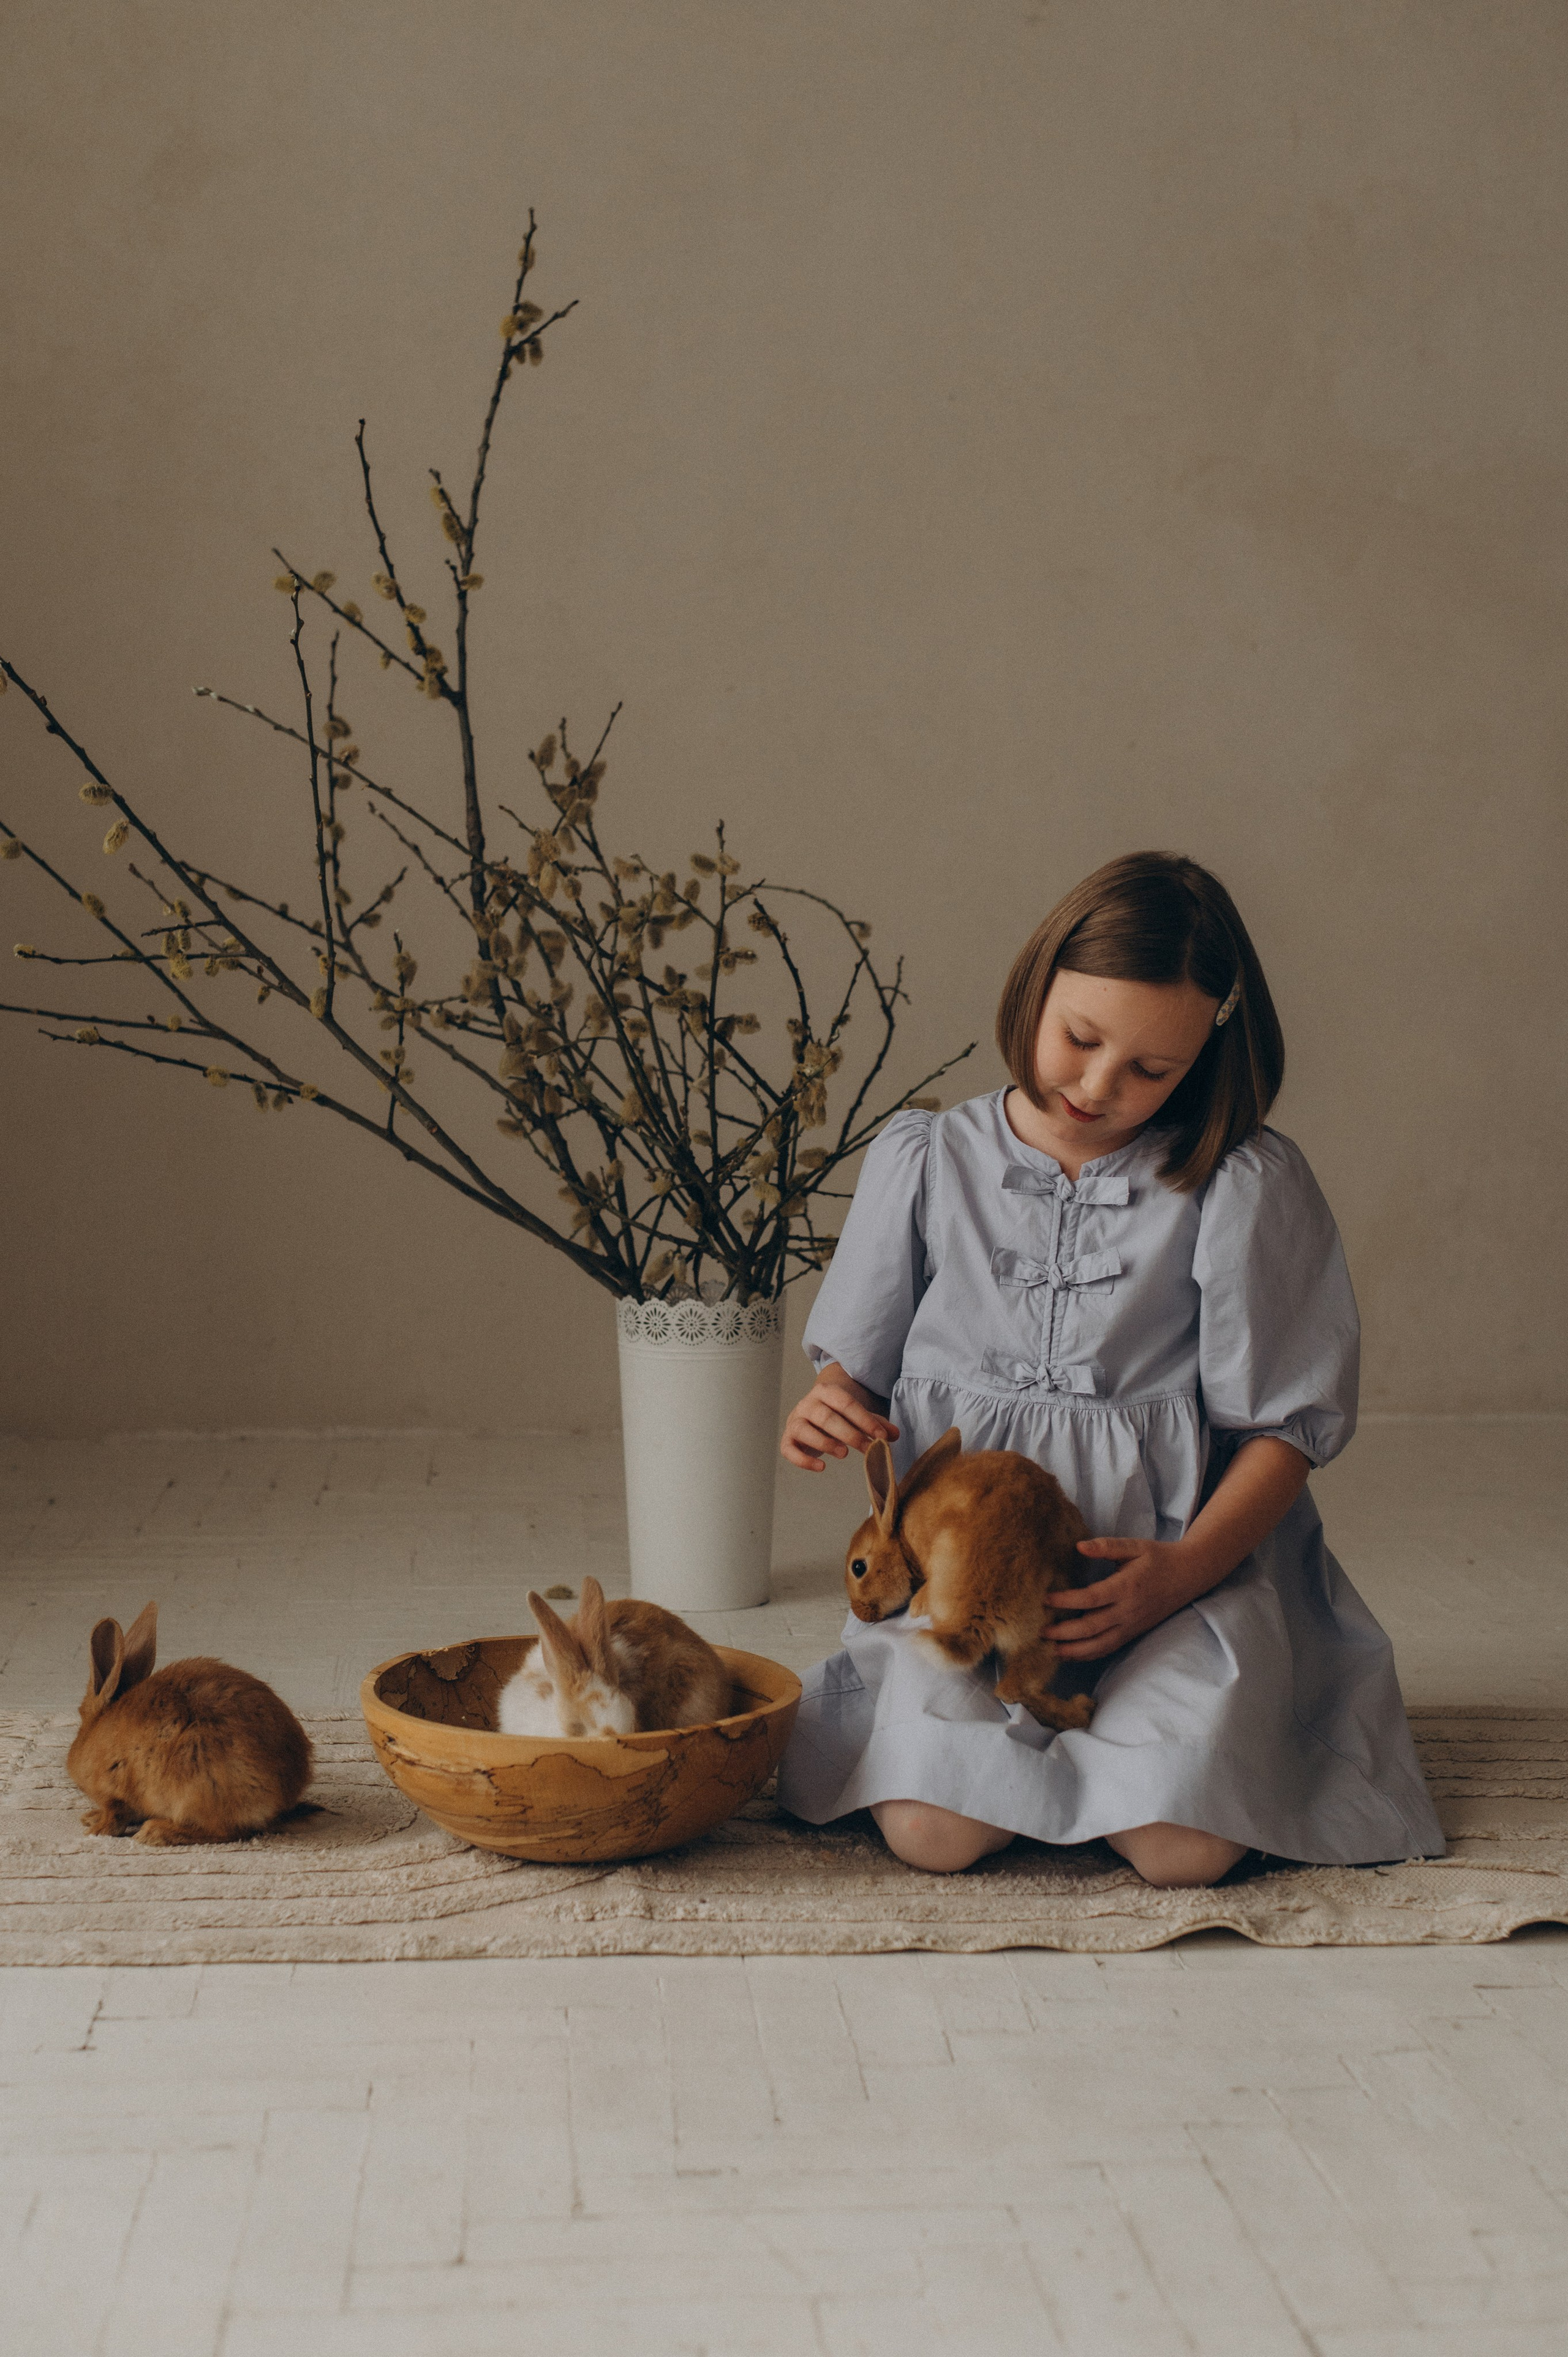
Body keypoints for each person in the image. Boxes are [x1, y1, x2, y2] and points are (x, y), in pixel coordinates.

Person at [776, 851, 1443, 1888]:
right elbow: (856, 1376)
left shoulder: (1239, 1185)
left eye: (1151, 1070)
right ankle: (1029, 1766)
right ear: (1035, 987)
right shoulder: (926, 1159)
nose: (1097, 1087)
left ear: (1205, 1058)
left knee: (1183, 1853)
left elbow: (1282, 1432)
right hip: (966, 1592)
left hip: (1168, 1580)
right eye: (1080, 1040)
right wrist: (830, 1404)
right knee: (934, 1836)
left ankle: (1132, 1754)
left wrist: (1183, 1572)